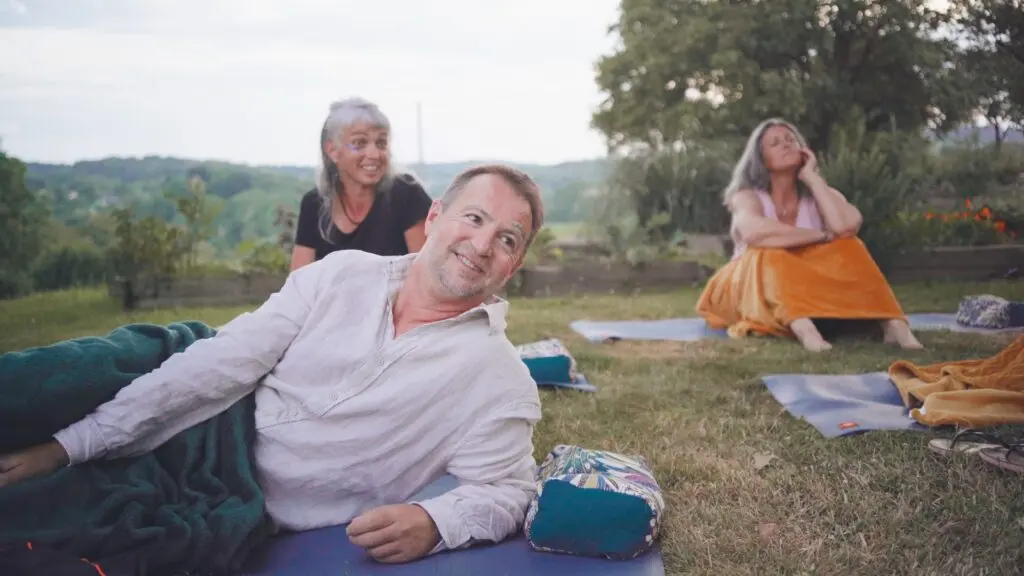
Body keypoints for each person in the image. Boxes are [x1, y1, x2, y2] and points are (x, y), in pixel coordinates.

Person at [0, 164, 546, 564]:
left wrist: (435, 521)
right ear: (434, 217)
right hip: (193, 377)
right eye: (473, 218)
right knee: (53, 379)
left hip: (232, 491)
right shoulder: (341, 274)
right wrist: (70, 444)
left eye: (506, 239)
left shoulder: (499, 384)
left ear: (514, 263)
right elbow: (219, 365)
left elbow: (507, 489)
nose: (481, 244)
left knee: (51, 517)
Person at [695, 118, 923, 352]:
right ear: (761, 159)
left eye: (790, 140)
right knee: (769, 252)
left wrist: (813, 179)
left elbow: (845, 227)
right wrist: (821, 236)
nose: (786, 145)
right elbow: (754, 232)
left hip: (800, 283)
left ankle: (895, 324)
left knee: (850, 244)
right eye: (775, 143)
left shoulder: (818, 193)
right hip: (743, 283)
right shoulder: (747, 196)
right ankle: (806, 331)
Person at [291, 97, 433, 271]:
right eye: (359, 143)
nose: (374, 154)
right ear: (332, 150)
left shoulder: (406, 194)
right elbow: (298, 281)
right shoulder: (314, 204)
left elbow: (426, 274)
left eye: (381, 143)